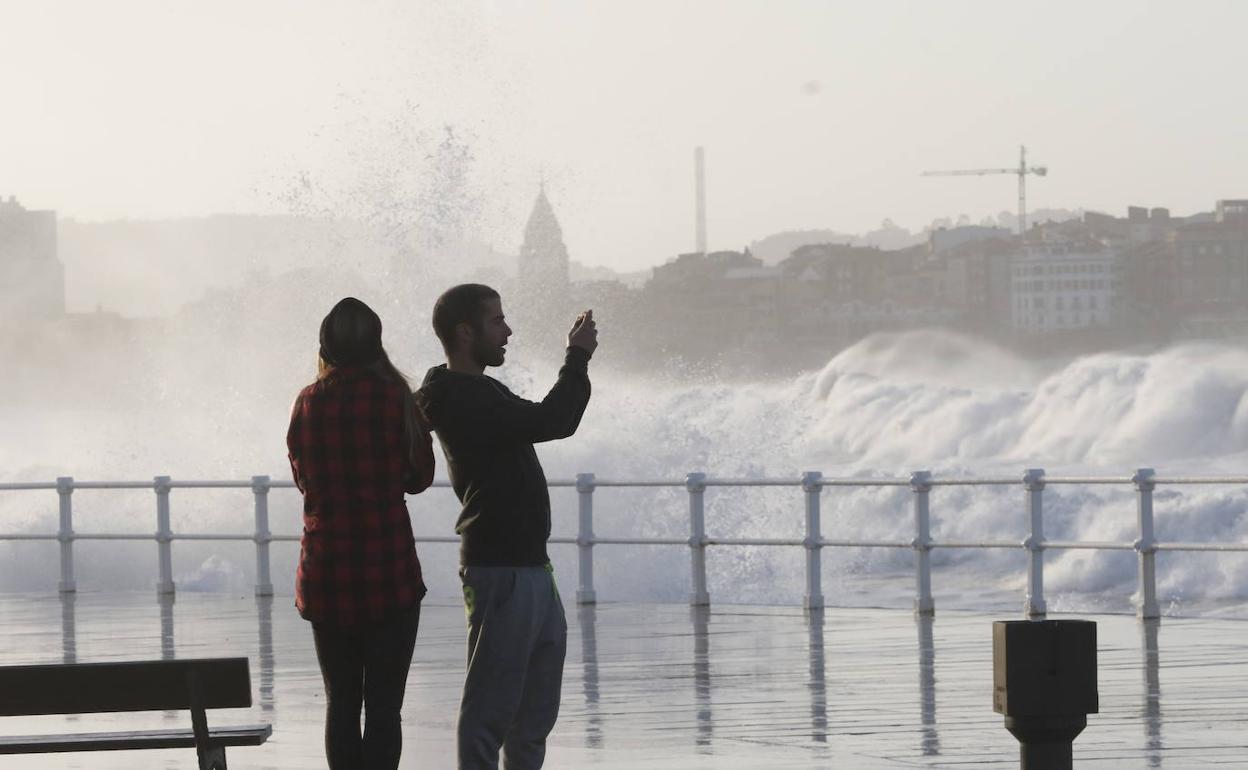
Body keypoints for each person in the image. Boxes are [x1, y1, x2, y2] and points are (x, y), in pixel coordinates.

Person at [416, 284, 597, 770]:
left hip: (530, 566)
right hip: (499, 567)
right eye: (497, 321)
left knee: (535, 711)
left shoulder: (477, 389)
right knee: (491, 708)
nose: (508, 331)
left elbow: (543, 419)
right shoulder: (462, 395)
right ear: (464, 331)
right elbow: (555, 419)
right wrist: (576, 358)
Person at [287, 296, 435, 770]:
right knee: (385, 706)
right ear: (377, 344)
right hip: (387, 570)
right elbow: (419, 477)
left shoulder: (307, 401)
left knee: (343, 702)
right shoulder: (395, 398)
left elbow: (302, 479)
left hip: (326, 573)